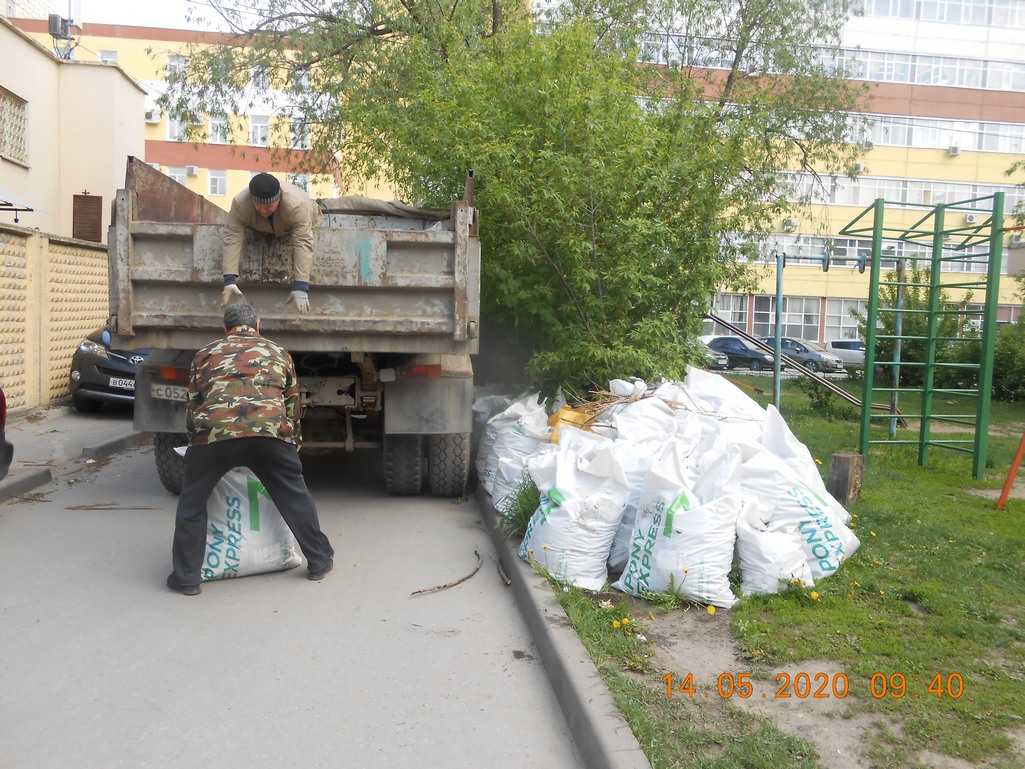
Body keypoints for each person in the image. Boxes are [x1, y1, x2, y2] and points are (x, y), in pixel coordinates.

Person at [166, 302, 334, 596]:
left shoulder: (204, 354)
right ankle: (319, 561)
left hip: (213, 436)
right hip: (269, 434)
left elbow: (193, 405)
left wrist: (196, 446)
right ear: (258, 325)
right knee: (293, 493)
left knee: (191, 504)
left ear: (225, 328)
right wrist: (291, 448)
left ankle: (187, 578)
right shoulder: (279, 352)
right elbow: (293, 405)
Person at [220, 173, 322, 314]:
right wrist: (229, 279)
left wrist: (301, 286)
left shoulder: (297, 205)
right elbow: (232, 236)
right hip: (263, 228)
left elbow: (303, 242)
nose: (263, 210)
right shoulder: (240, 203)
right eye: (258, 205)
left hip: (304, 218)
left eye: (268, 206)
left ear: (279, 199)